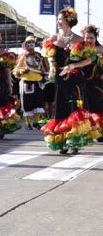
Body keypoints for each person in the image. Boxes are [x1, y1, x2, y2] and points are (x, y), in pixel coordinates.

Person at [40, 8, 101, 154]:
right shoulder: (54, 38)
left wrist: (73, 65)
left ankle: (73, 141)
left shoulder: (79, 40)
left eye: (60, 19)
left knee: (74, 107)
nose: (58, 22)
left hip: (75, 79)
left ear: (68, 21)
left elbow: (90, 59)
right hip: (60, 78)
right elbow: (49, 55)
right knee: (61, 109)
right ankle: (62, 141)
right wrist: (53, 66)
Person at [13, 36, 48, 129]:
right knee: (27, 103)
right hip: (26, 83)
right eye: (29, 42)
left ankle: (36, 122)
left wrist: (42, 72)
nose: (31, 44)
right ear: (25, 44)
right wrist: (22, 71)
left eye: (32, 42)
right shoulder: (22, 56)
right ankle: (28, 123)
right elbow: (16, 70)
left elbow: (45, 68)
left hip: (38, 82)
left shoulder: (39, 55)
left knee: (38, 102)